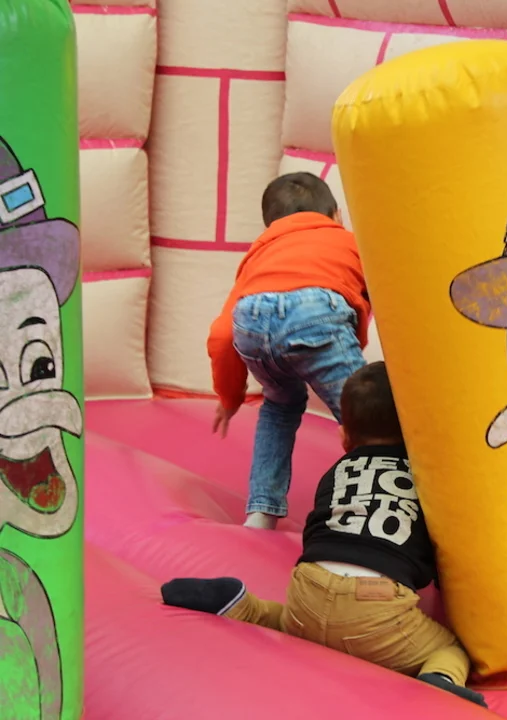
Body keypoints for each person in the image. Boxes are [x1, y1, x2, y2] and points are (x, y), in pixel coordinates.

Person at [160, 363, 487, 707]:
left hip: (309, 585)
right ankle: (439, 679)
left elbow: (319, 529)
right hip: (378, 608)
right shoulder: (427, 477)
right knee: (450, 649)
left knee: (292, 620)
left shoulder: (338, 471)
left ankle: (243, 606)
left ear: (345, 438)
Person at [207, 172, 370, 530]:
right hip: (315, 312)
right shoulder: (347, 241)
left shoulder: (259, 255)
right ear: (336, 214)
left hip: (252, 322)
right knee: (367, 419)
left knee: (279, 405)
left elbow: (222, 333)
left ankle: (261, 511)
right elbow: (372, 299)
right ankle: (378, 505)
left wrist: (230, 397)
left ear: (271, 225)